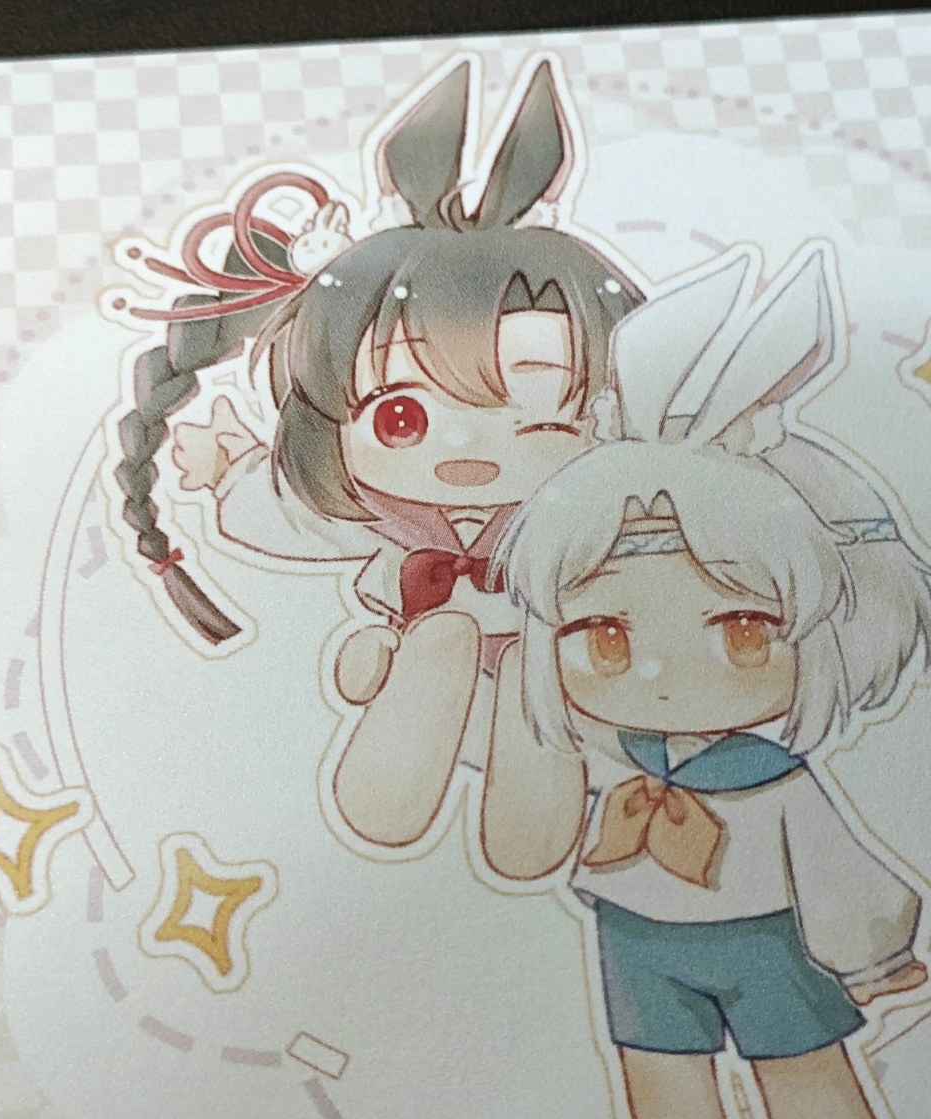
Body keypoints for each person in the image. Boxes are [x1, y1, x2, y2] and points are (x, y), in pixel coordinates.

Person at [483, 245, 931, 1119]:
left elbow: (840, 878)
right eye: (604, 635)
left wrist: (870, 952)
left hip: (765, 944)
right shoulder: (613, 757)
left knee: (804, 1076)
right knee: (664, 1092)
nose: (655, 674)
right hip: (635, 943)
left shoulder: (772, 782)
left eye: (739, 630)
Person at [110, 56, 643, 846]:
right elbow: (279, 519)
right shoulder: (375, 518)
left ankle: (532, 804)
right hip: (407, 649)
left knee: (541, 684)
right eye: (401, 417)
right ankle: (401, 738)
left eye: (541, 415)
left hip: (542, 656)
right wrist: (227, 477)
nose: (466, 449)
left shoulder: (577, 523)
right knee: (423, 651)